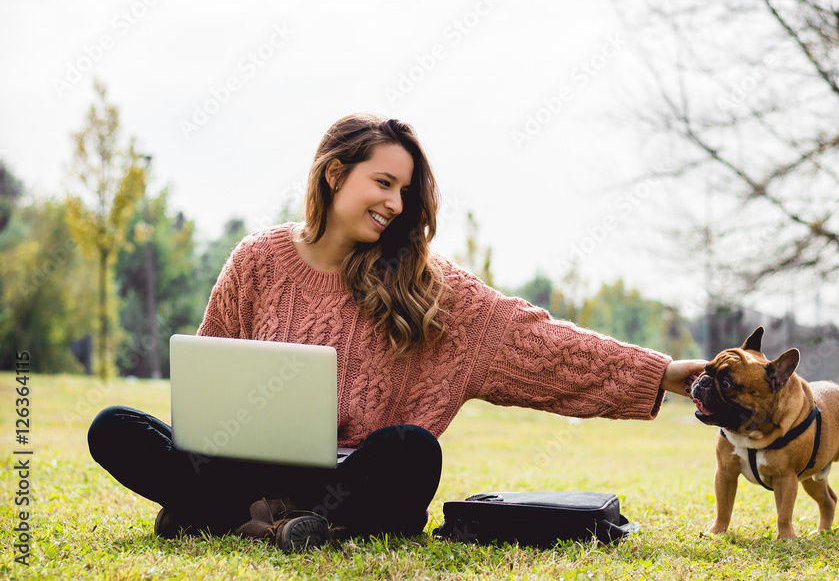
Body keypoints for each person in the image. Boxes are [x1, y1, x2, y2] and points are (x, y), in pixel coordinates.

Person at [88, 112, 706, 552]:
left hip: (348, 479)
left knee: (411, 451)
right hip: (243, 469)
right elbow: (212, 374)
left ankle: (226, 517)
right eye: (383, 183)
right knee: (114, 427)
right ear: (334, 175)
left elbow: (542, 346)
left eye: (406, 191)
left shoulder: (431, 286)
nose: (395, 203)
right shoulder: (258, 259)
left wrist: (664, 374)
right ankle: (255, 515)